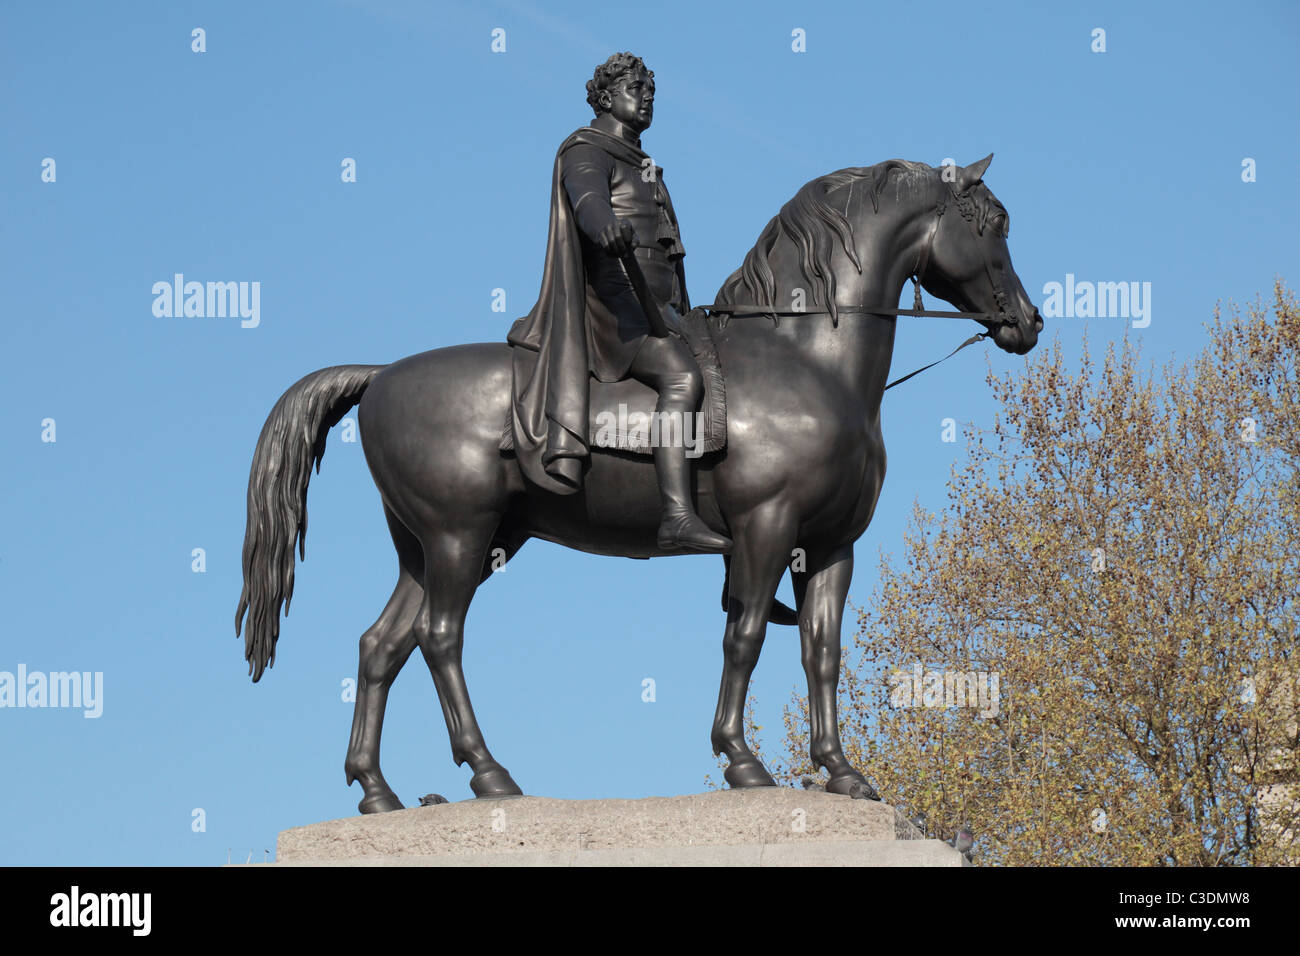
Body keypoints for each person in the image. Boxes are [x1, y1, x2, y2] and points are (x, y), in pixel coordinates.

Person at [507, 52, 730, 552]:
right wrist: (602, 224)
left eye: (651, 88)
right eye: (637, 87)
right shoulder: (586, 149)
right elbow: (586, 199)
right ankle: (676, 515)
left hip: (659, 308)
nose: (647, 95)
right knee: (681, 378)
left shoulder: (644, 164)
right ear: (606, 97)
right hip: (612, 309)